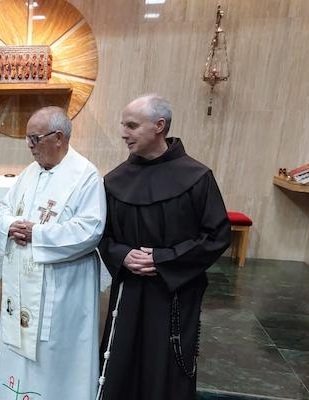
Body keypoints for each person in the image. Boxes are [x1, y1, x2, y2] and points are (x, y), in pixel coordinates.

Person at [97, 94, 231, 400]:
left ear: (159, 126)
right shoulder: (115, 180)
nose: (123, 133)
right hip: (129, 290)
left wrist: (163, 259)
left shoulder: (196, 177)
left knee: (166, 365)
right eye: (123, 125)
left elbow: (216, 235)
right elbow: (102, 236)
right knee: (121, 362)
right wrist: (123, 255)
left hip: (173, 293)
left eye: (132, 126)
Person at [0, 106, 105, 399]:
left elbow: (90, 229)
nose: (29, 146)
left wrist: (37, 234)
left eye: (34, 139)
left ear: (58, 137)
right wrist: (10, 225)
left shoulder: (85, 176)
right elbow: (2, 210)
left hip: (61, 289)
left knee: (53, 351)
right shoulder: (30, 173)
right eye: (27, 139)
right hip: (22, 288)